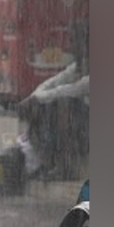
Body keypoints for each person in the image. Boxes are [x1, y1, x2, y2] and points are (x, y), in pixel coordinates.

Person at [17, 20, 89, 180]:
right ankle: (44, 161)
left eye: (73, 40)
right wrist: (33, 98)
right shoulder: (80, 65)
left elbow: (72, 90)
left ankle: (64, 166)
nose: (69, 46)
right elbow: (53, 82)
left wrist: (36, 99)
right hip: (82, 122)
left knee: (63, 104)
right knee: (44, 108)